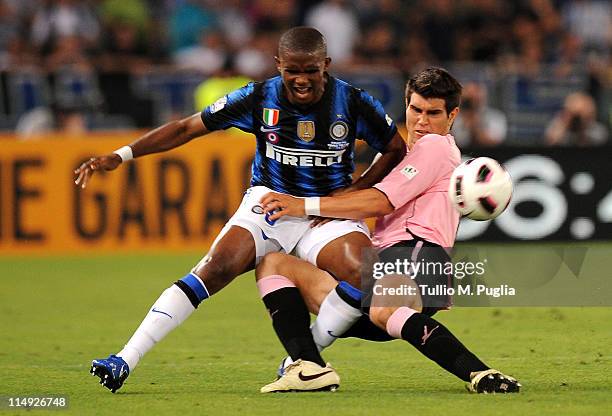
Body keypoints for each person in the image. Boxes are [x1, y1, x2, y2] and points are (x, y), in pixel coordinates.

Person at [74, 26, 406, 393]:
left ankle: (306, 359)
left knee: (372, 280)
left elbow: (395, 148)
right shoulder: (258, 97)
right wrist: (122, 155)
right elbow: (187, 128)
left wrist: (354, 191)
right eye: (292, 70)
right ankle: (124, 359)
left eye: (310, 70)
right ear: (277, 64)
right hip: (271, 205)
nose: (301, 80)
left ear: (325, 64)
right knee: (215, 269)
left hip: (325, 211)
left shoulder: (354, 102)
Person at [257, 67, 521, 394]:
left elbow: (381, 201)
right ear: (406, 105)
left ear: (452, 115)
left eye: (433, 113)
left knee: (384, 305)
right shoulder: (400, 152)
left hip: (417, 254)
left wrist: (305, 205)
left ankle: (479, 373)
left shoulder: (436, 147)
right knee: (273, 265)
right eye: (415, 110)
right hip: (376, 267)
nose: (422, 121)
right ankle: (308, 366)